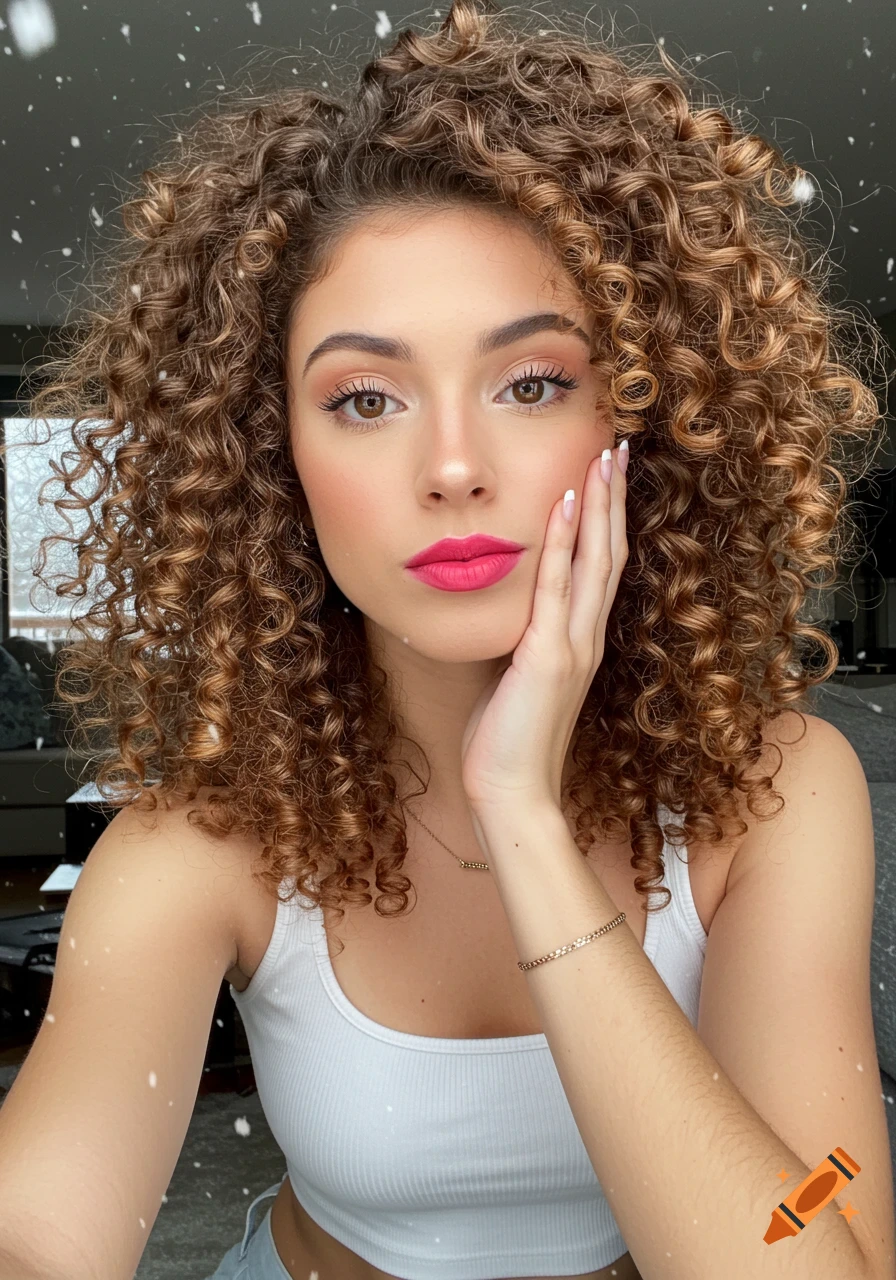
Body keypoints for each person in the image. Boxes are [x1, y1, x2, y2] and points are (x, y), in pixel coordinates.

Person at [0, 2, 893, 1279]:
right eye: (365, 398)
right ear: (274, 459)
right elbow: (33, 1234)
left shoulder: (778, 790)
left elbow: (811, 1245)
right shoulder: (196, 845)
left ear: (645, 418)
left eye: (530, 382)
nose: (455, 466)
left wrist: (520, 814)